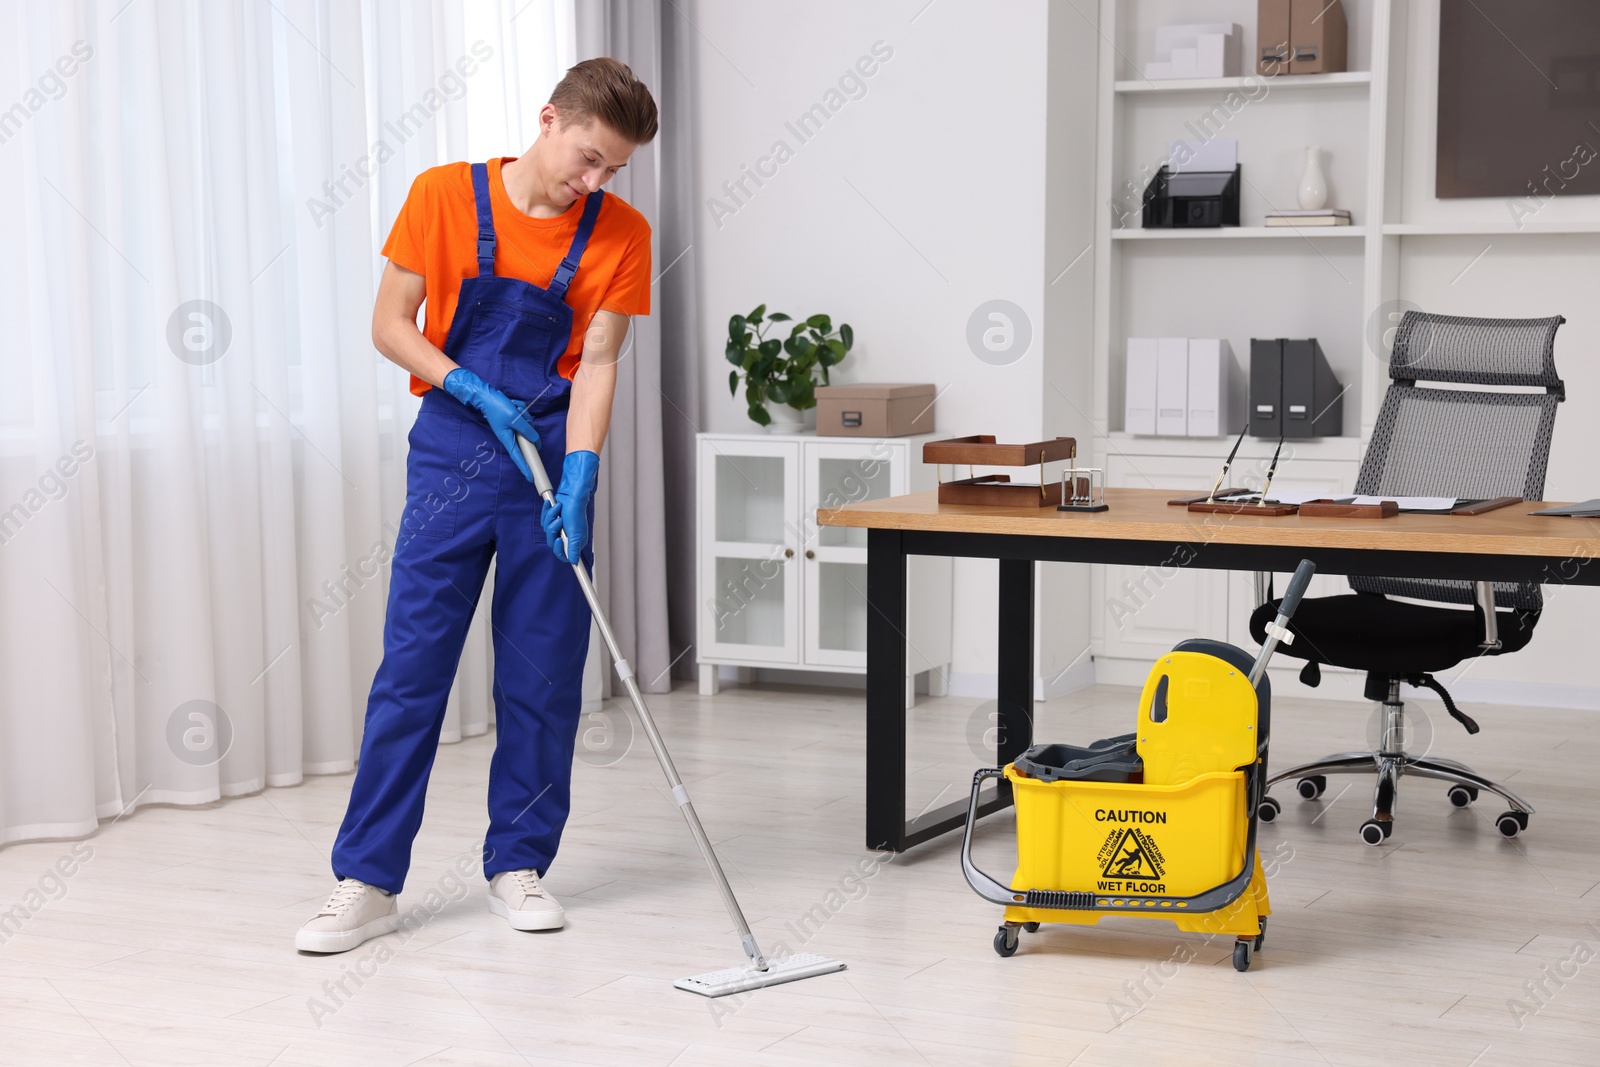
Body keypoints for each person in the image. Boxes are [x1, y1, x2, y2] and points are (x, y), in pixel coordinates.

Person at [296, 58, 657, 954]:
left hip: (547, 461)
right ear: (547, 120)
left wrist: (581, 471)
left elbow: (600, 362)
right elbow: (390, 324)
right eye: (586, 158)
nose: (593, 182)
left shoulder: (623, 235)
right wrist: (466, 384)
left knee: (540, 680)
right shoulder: (441, 197)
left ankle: (517, 864)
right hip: (454, 455)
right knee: (412, 673)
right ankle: (367, 881)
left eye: (611, 170)